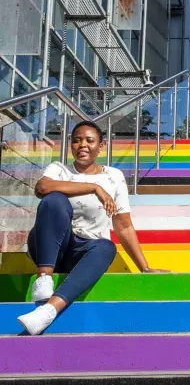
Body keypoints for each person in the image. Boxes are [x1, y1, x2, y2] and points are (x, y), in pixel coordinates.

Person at [17, 121, 167, 335]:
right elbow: (42, 188)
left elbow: (123, 226)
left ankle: (48, 311)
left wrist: (144, 267)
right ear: (71, 145)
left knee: (107, 247)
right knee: (55, 200)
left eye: (89, 140)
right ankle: (43, 279)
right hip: (48, 249)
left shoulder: (113, 177)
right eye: (77, 140)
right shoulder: (58, 169)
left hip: (82, 253)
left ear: (101, 146)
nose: (82, 145)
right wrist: (94, 187)